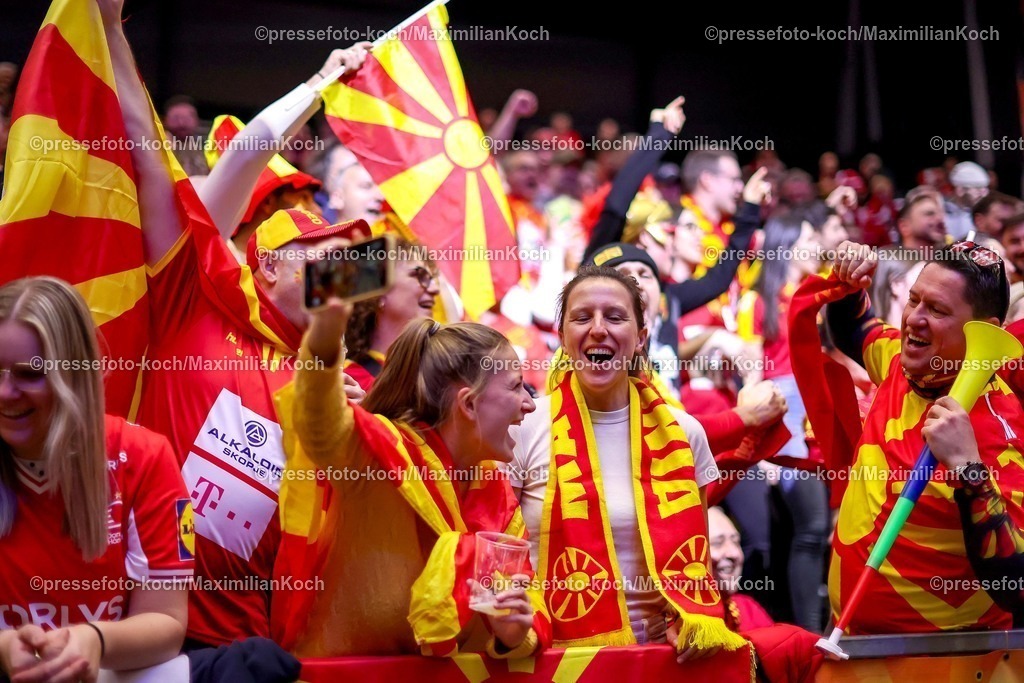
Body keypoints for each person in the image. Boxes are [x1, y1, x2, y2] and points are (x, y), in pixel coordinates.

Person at [101, 1, 366, 647]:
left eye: (350, 261)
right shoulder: (196, 297)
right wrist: (317, 87)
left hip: (254, 646)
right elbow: (238, 161)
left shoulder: (325, 378)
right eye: (325, 253)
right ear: (266, 265)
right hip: (142, 631)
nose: (347, 270)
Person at [276, 302, 547, 658]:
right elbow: (319, 427)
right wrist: (323, 345)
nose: (530, 404)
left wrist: (513, 634)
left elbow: (528, 598)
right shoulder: (380, 453)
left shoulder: (493, 488)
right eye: (517, 387)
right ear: (468, 404)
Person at [510, 266, 746, 660]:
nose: (598, 329)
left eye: (615, 317)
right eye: (582, 317)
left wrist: (684, 620)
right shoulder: (522, 425)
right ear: (563, 337)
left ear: (640, 338)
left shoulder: (685, 432)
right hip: (553, 658)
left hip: (658, 661)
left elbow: (696, 562)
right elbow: (502, 551)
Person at [824, 239, 1024, 633]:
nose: (914, 318)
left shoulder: (1003, 435)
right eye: (914, 300)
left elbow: (1016, 585)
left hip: (942, 662)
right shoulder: (904, 363)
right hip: (850, 644)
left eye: (937, 310)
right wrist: (849, 282)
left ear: (986, 332)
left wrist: (968, 469)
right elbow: (855, 329)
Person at [0, 277, 191, 681]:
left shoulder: (145, 456)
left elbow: (168, 622)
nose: (4, 392)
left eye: (28, 374)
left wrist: (95, 640)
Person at [737, 212, 828, 632]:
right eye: (810, 237)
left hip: (816, 413)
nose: (818, 245)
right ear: (787, 244)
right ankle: (808, 635)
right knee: (811, 527)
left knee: (817, 531)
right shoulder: (758, 301)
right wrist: (760, 451)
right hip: (784, 418)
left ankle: (813, 631)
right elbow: (751, 378)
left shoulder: (814, 298)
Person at [343, 238, 441, 390]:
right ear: (376, 292)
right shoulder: (349, 380)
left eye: (433, 279)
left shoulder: (439, 378)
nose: (435, 289)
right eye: (419, 276)